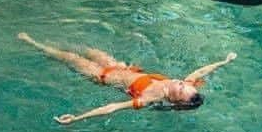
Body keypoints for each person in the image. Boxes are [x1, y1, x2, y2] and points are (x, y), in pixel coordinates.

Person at [18, 33, 237, 125]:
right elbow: (200, 72)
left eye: (179, 89)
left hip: (102, 76)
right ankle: (50, 40)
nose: (179, 83)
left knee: (69, 57)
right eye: (182, 83)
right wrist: (223, 62)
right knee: (90, 49)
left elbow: (112, 107)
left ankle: (34, 44)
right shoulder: (186, 85)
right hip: (120, 66)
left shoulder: (150, 98)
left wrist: (77, 118)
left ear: (175, 101)